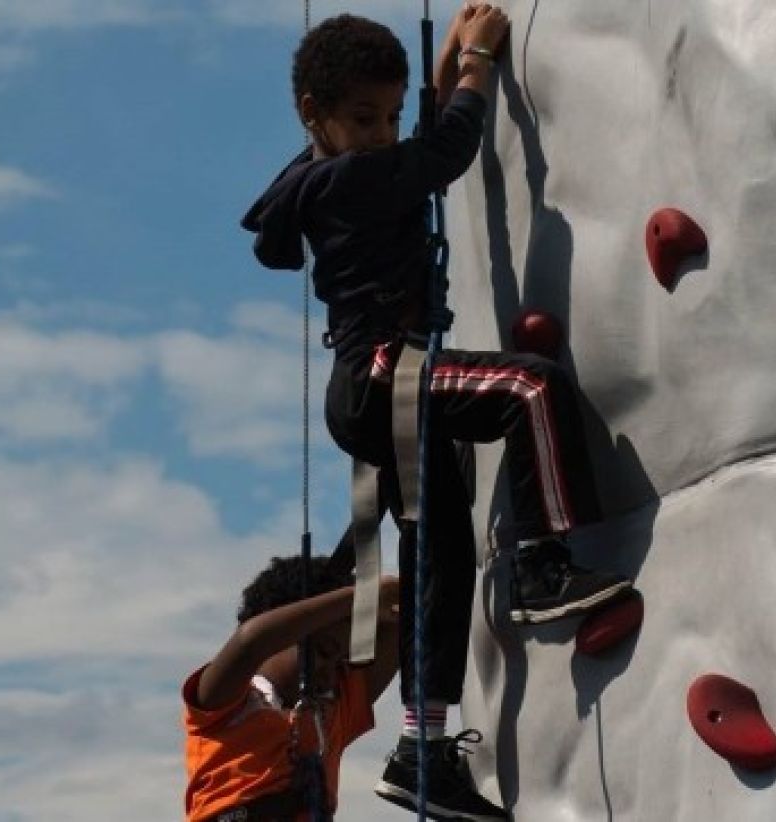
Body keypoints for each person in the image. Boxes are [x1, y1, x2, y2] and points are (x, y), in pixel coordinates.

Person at [242, 6, 633, 820]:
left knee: (440, 559)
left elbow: (409, 148)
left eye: (388, 116)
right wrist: (477, 67)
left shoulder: (314, 170)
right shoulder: (351, 178)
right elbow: (446, 150)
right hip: (388, 375)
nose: (384, 132)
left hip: (371, 393)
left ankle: (423, 744)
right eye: (364, 119)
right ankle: (537, 560)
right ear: (313, 115)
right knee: (529, 389)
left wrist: (449, 55)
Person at [183, 556, 399, 822]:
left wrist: (376, 605)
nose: (331, 674)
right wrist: (359, 598)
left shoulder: (332, 713)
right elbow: (250, 642)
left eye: (342, 661)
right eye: (323, 651)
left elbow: (400, 626)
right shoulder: (224, 701)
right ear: (284, 634)